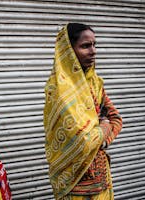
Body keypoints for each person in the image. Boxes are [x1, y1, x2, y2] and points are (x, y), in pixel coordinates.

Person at [43, 23, 123, 200]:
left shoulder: (95, 84)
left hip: (101, 175)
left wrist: (102, 142)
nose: (93, 51)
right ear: (69, 50)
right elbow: (84, 142)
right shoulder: (58, 91)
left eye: (95, 45)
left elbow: (116, 119)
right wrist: (103, 127)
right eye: (85, 46)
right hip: (73, 182)